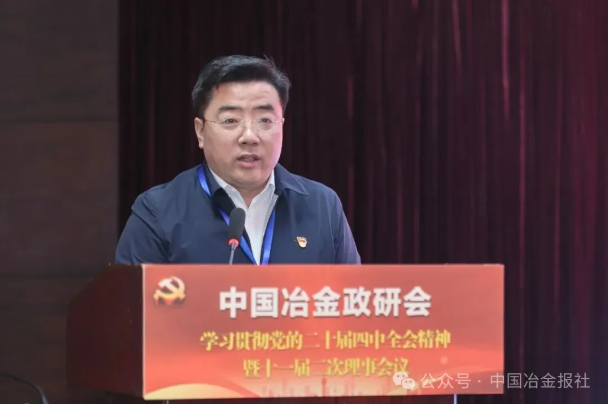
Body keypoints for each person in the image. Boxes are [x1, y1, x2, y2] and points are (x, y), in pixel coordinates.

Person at [115, 55, 360, 265]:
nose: (249, 136)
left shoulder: (321, 205)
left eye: (265, 120)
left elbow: (354, 299)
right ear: (200, 132)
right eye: (230, 121)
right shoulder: (158, 211)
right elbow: (132, 304)